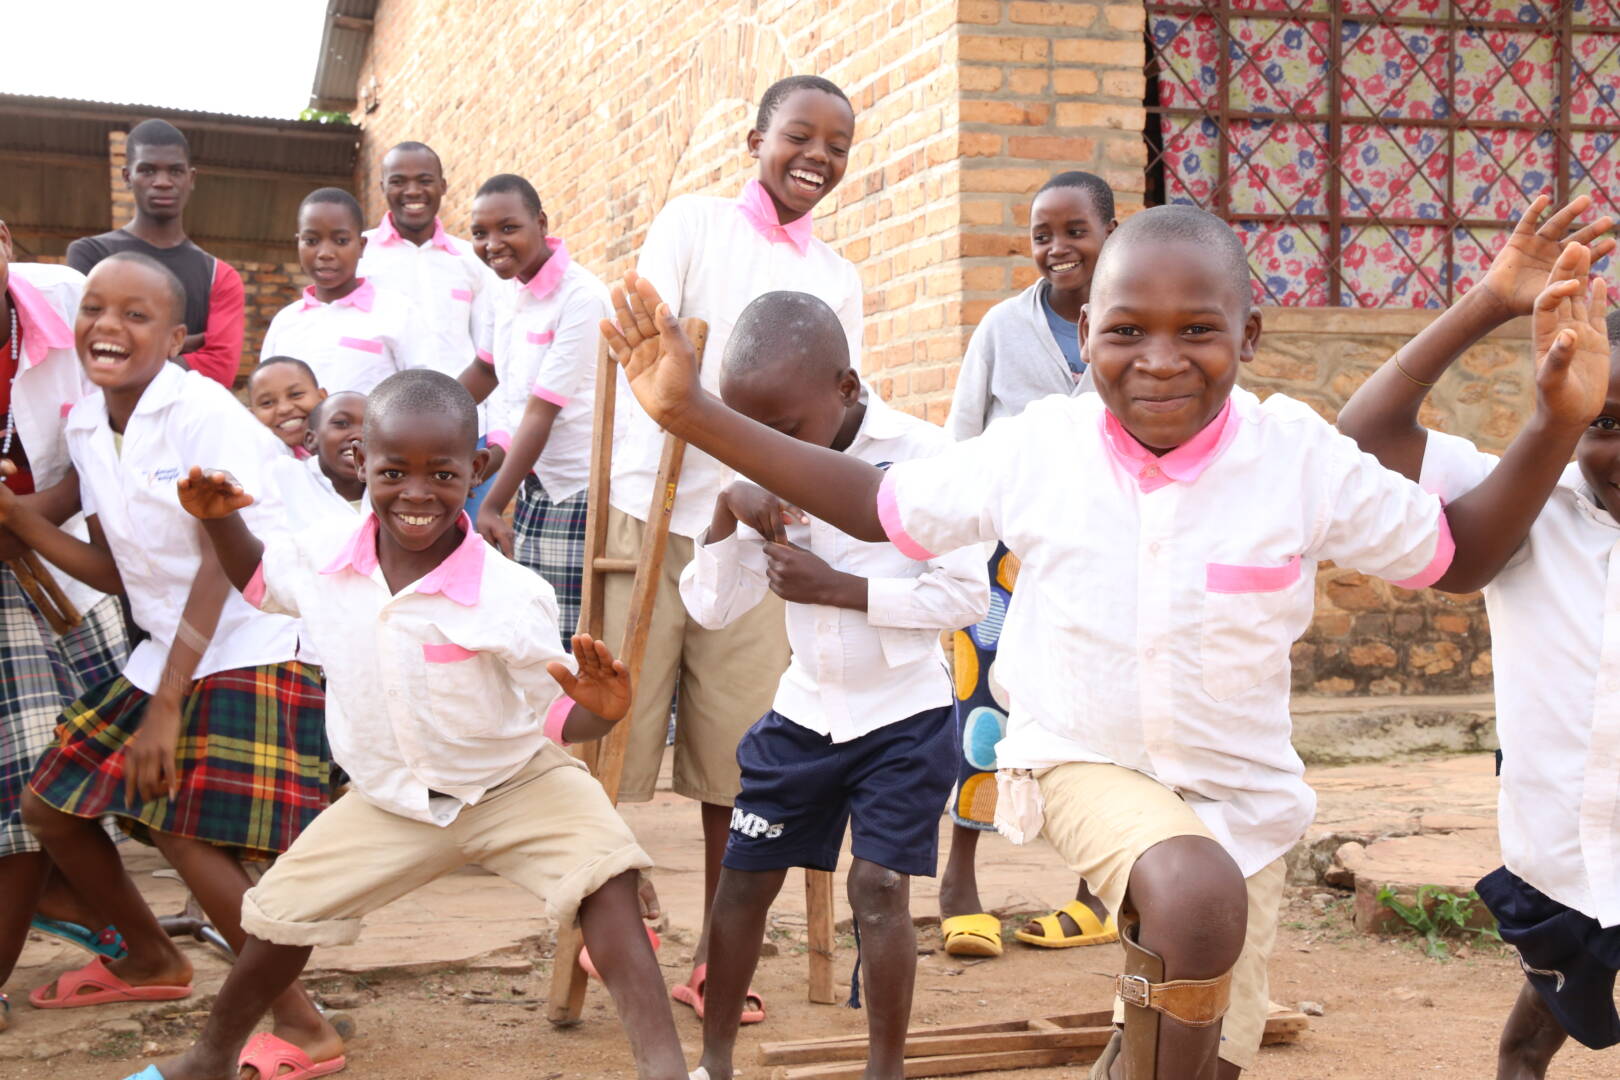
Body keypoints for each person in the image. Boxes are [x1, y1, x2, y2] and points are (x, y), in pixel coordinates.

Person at [598, 199, 1584, 1077]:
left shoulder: (1296, 458)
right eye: (1126, 330)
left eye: (1197, 330)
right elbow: (873, 504)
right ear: (1084, 334)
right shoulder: (1043, 449)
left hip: (1242, 802)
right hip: (1079, 759)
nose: (1159, 359)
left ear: (1248, 334)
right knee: (1192, 895)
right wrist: (691, 412)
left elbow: (1459, 555)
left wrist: (1552, 420)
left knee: (1198, 1052)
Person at [130, 369, 688, 1080]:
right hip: (388, 797)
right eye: (393, 472)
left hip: (514, 784)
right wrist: (219, 520)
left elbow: (554, 714)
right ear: (361, 461)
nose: (417, 494)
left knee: (606, 875)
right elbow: (261, 584)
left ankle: (666, 1069)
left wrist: (599, 713)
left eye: (442, 474)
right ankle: (209, 1058)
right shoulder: (324, 557)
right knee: (277, 914)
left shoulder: (511, 596)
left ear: (477, 470)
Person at [1, 253, 341, 1075]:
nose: (108, 327)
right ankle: (151, 957)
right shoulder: (87, 425)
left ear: (176, 338)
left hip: (258, 635)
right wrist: (22, 522)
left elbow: (225, 560)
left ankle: (302, 1024)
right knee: (49, 807)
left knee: (180, 824)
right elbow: (120, 570)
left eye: (136, 315)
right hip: (172, 644)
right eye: (94, 309)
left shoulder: (203, 415)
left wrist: (166, 704)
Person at [1336, 193, 1619, 1080]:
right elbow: (1365, 438)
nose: (1619, 450)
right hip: (1560, 856)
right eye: (1606, 423)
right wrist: (1490, 303)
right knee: (1529, 1040)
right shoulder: (1530, 504)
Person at [677, 291, 987, 1079]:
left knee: (879, 889)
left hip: (905, 717)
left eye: (783, 431)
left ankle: (885, 1071)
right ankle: (714, 1063)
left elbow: (966, 597)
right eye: (749, 433)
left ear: (846, 388)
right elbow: (712, 608)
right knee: (742, 886)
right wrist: (728, 507)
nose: (766, 450)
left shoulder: (924, 456)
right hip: (804, 712)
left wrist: (841, 589)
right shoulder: (755, 462)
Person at [606, 75, 864, 1018]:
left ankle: (723, 954)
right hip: (651, 512)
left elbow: (835, 407)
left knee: (741, 756)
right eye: (799, 135)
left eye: (837, 146)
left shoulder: (837, 277)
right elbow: (648, 350)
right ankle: (610, 923)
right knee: (613, 740)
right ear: (756, 141)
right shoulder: (693, 224)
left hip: (756, 532)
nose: (817, 157)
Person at [938, 170, 1119, 959]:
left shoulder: (1132, 322)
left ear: (1110, 233)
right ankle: (960, 884)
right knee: (981, 706)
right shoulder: (1001, 330)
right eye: (1043, 235)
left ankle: (1095, 892)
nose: (1057, 248)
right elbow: (961, 442)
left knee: (1099, 711)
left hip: (1103, 556)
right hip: (1003, 560)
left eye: (1076, 230)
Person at [0, 227, 130, 1033]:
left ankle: (108, 921)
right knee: (26, 780)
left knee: (88, 764)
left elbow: (114, 430)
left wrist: (26, 519)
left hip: (67, 558)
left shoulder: (71, 302)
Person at [460, 174, 610, 639]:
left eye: (508, 228)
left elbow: (541, 412)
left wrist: (492, 504)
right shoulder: (502, 290)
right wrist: (421, 421)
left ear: (541, 223)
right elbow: (485, 372)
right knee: (530, 625)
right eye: (480, 233)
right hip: (532, 482)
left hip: (581, 489)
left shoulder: (582, 298)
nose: (492, 244)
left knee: (565, 635)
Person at [357, 141, 502, 515]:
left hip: (466, 431)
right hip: (386, 434)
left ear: (443, 185)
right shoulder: (360, 255)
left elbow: (491, 352)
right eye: (398, 181)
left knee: (467, 541)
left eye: (424, 180)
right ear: (383, 187)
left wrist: (497, 429)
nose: (412, 191)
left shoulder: (471, 260)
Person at [66, 120, 244, 389]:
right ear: (127, 177)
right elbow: (81, 349)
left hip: (185, 415)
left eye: (175, 171)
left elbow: (221, 369)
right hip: (103, 412)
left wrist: (128, 355)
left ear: (191, 178)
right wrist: (174, 347)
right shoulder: (90, 254)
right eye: (148, 170)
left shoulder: (218, 275)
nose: (162, 182)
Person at [258, 188, 432, 395]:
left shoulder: (397, 313)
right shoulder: (285, 323)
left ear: (361, 246)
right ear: (298, 243)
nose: (325, 253)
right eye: (311, 241)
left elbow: (424, 392)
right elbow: (267, 393)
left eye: (341, 241)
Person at [247, 356, 325, 457]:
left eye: (296, 394)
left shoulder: (343, 450)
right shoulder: (251, 463)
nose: (284, 409)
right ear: (251, 416)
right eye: (267, 402)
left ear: (321, 397)